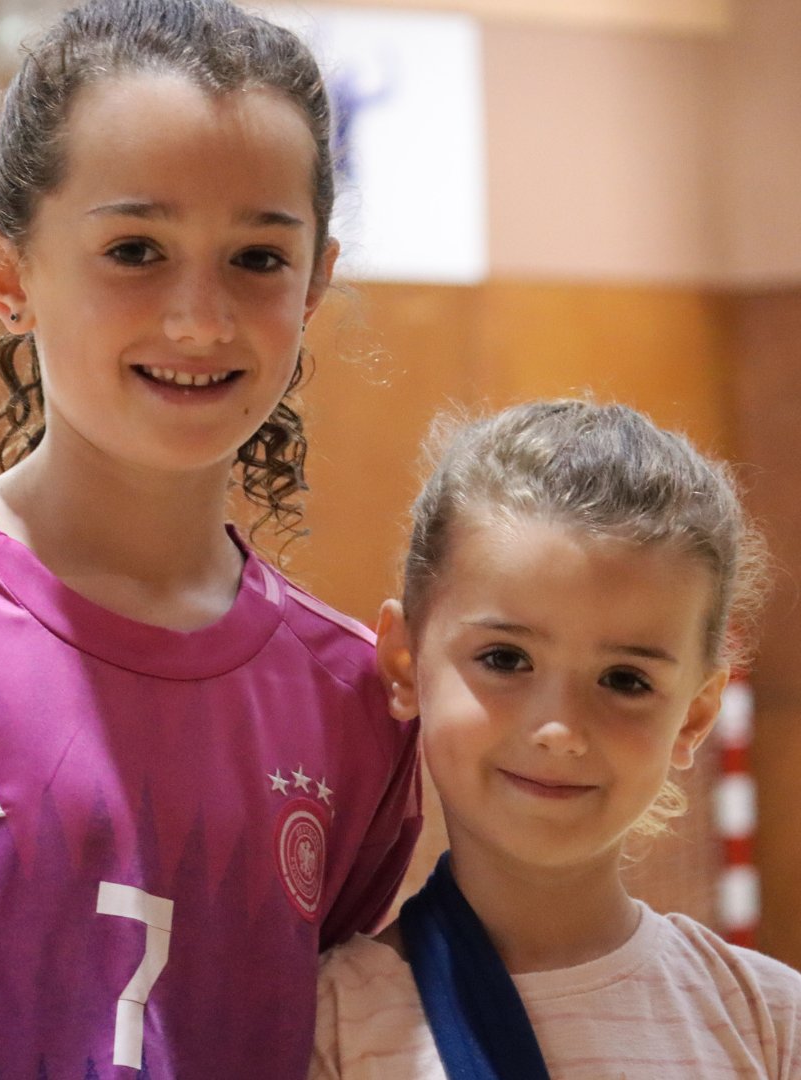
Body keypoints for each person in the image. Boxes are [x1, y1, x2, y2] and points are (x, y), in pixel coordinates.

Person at [0, 1, 422, 1075]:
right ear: (8, 276)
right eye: (135, 249)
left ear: (316, 280)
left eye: (257, 259)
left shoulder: (353, 705)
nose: (200, 319)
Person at [312, 399, 801, 1079]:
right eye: (506, 660)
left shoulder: (769, 1021)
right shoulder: (332, 1025)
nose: (561, 731)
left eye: (625, 680)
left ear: (693, 716)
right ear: (405, 664)